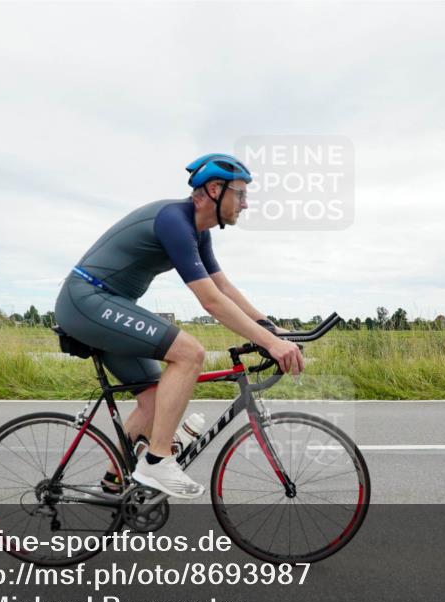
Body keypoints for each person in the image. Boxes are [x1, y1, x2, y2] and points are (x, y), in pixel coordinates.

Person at [54, 154, 305, 499]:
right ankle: (158, 460)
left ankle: (114, 484)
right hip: (85, 301)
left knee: (155, 400)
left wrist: (270, 329)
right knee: (189, 353)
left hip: (107, 304)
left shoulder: (199, 234)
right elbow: (211, 301)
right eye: (241, 194)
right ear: (215, 190)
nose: (246, 204)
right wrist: (272, 344)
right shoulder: (174, 220)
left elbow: (224, 288)